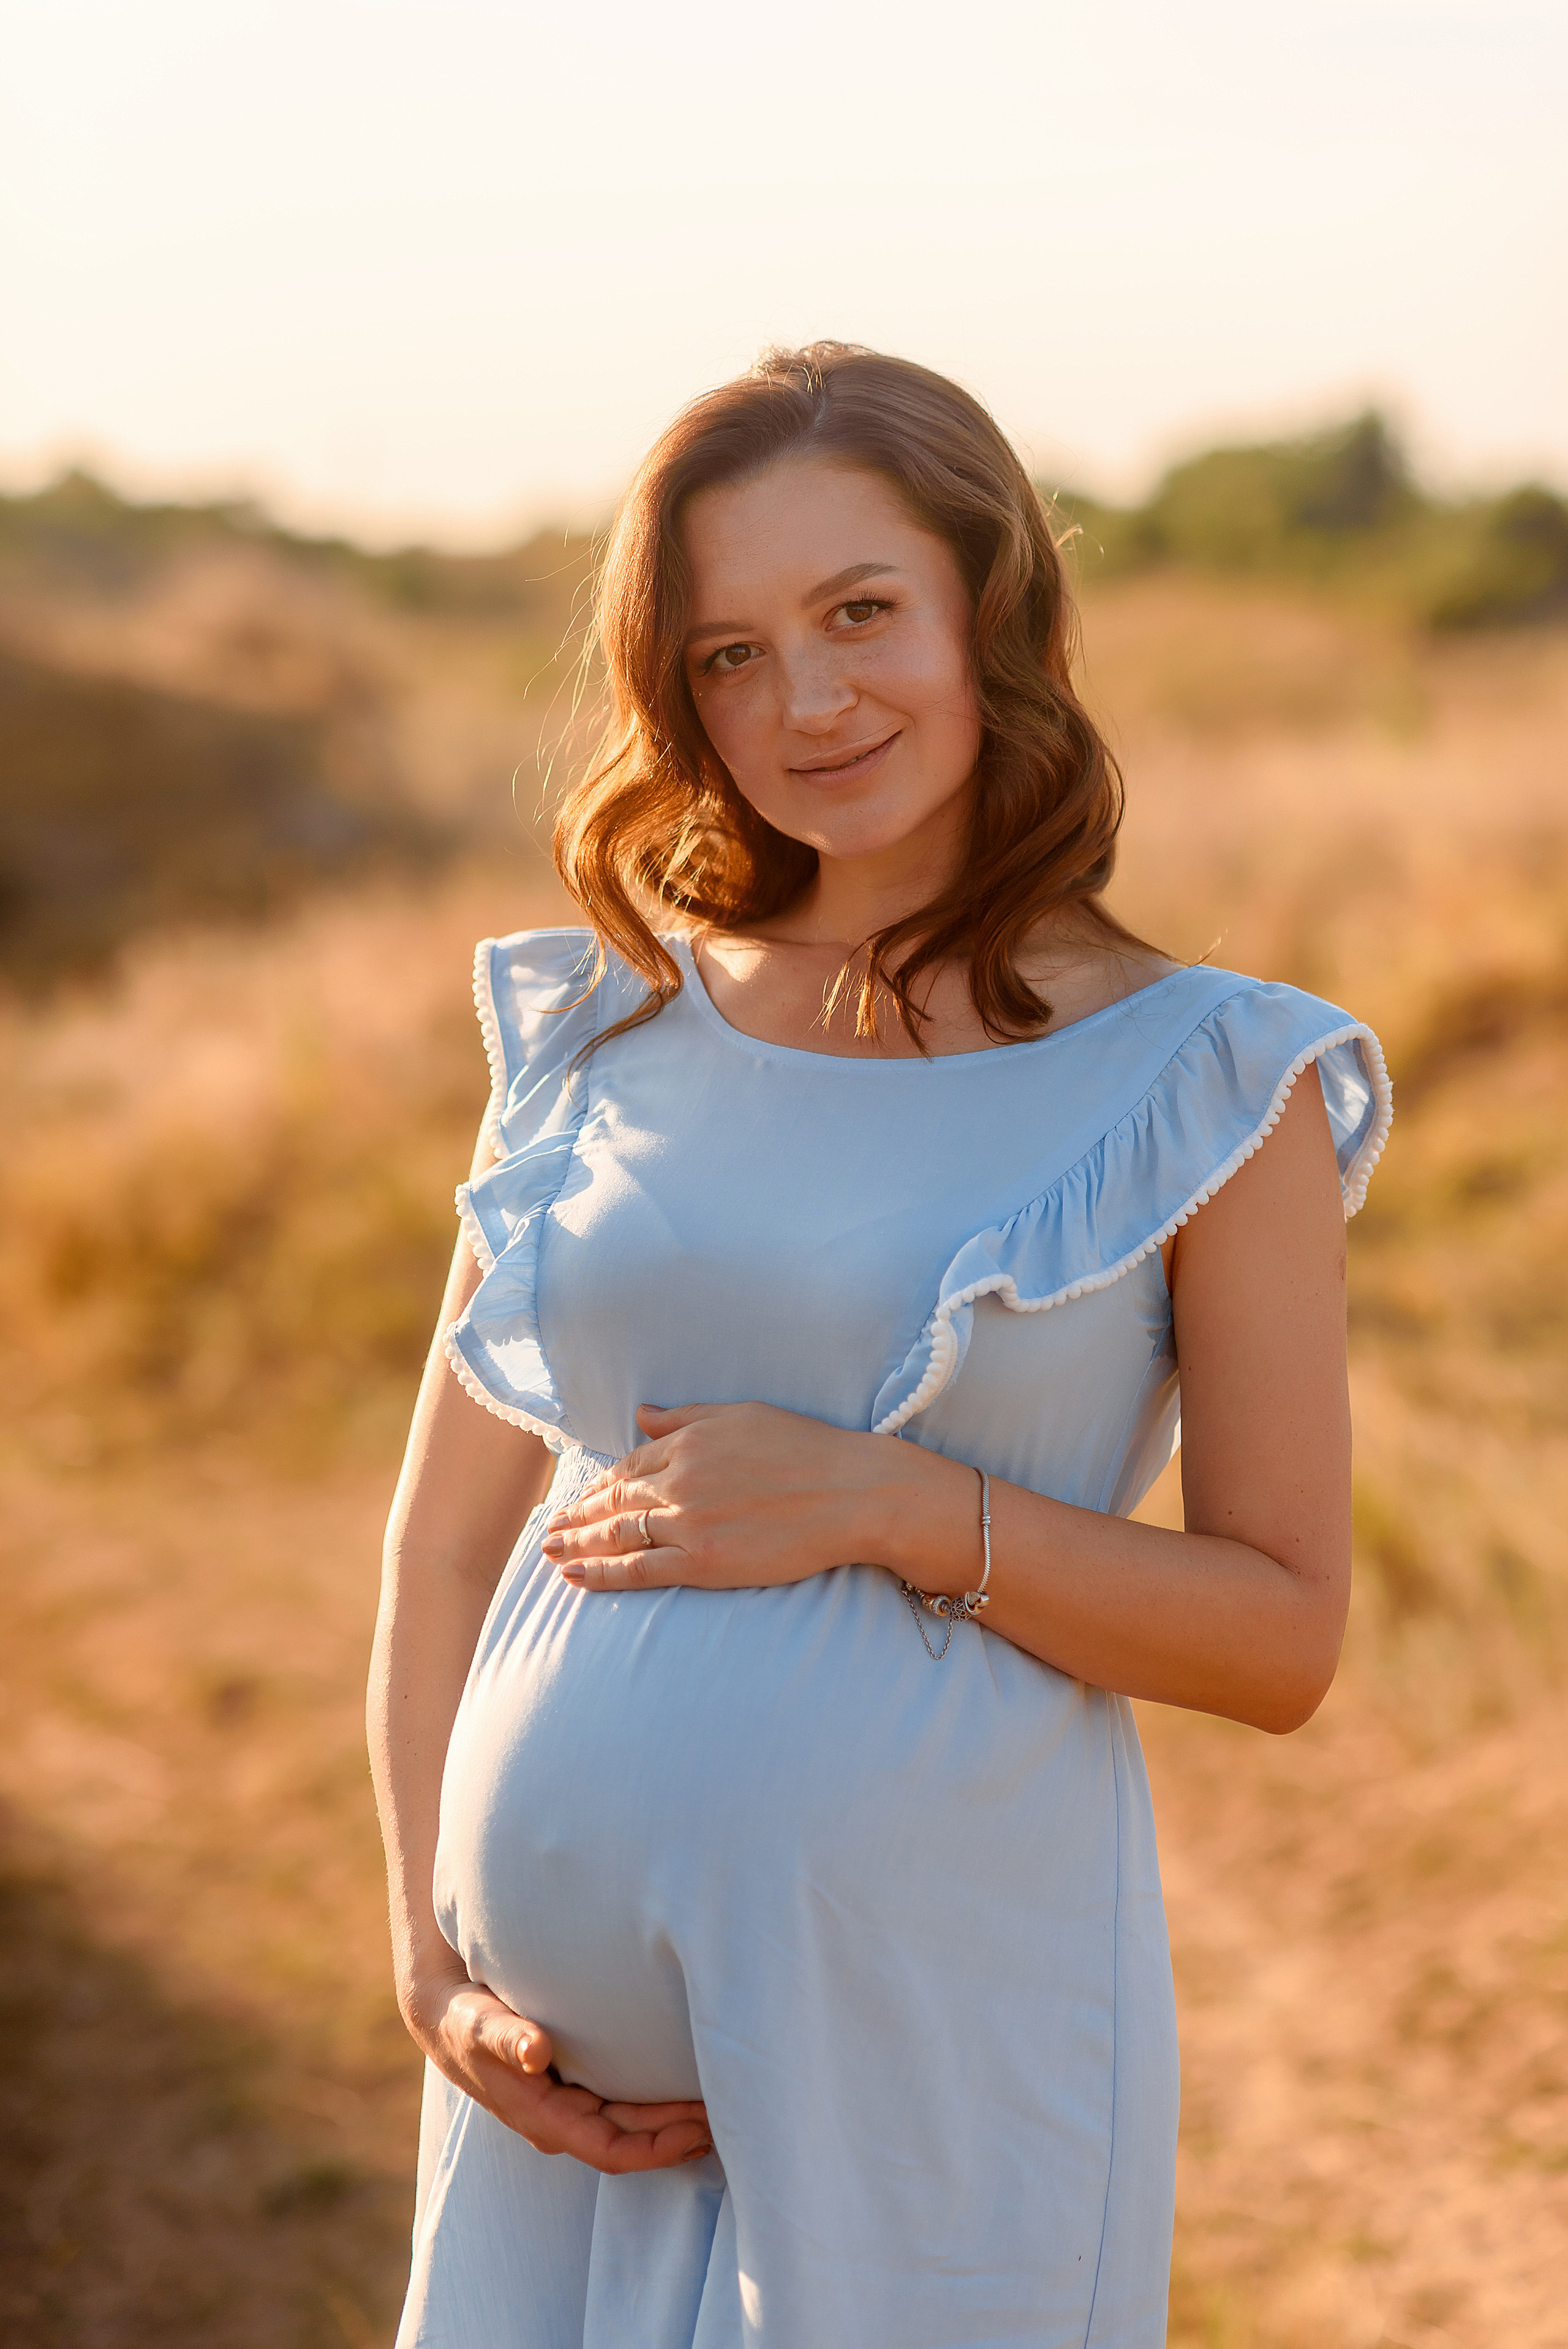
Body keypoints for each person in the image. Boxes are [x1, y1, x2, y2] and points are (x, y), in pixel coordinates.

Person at [369, 343, 1391, 2348]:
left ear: (990, 610)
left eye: (859, 614)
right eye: (731, 653)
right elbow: (439, 1542)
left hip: (939, 2051)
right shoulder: (600, 1033)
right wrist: (428, 1956)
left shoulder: (1208, 1078)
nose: (807, 703)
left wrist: (899, 1504)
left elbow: (1282, 1637)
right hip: (542, 2094)